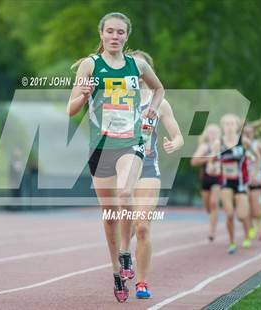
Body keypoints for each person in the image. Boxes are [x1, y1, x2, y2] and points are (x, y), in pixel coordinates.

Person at [68, 12, 164, 303]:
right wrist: (83, 96)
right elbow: (70, 109)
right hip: (101, 147)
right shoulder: (89, 65)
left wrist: (152, 108)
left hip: (130, 143)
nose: (114, 36)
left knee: (125, 192)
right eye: (109, 31)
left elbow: (159, 89)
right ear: (101, 34)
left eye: (120, 32)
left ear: (126, 36)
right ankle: (115, 270)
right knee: (109, 216)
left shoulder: (138, 65)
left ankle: (125, 252)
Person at [126, 50, 183, 299]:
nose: (138, 74)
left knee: (142, 228)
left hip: (148, 168)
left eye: (142, 69)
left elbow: (178, 135)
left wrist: (176, 143)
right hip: (121, 169)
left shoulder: (160, 102)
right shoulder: (119, 97)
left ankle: (141, 282)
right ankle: (123, 256)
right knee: (123, 226)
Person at [219, 114, 252, 254]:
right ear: (223, 126)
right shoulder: (218, 143)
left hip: (240, 183)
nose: (229, 126)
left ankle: (246, 233)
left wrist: (254, 172)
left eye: (232, 123)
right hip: (226, 182)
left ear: (237, 126)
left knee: (241, 215)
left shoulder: (244, 141)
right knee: (229, 214)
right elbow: (209, 160)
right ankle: (232, 242)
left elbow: (257, 156)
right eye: (226, 124)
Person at [191, 124, 222, 242]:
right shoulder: (204, 146)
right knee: (208, 207)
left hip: (218, 178)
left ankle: (212, 231)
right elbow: (194, 161)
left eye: (215, 132)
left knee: (214, 203)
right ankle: (212, 218)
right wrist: (208, 158)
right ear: (206, 134)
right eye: (210, 132)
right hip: (205, 178)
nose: (212, 134)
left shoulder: (223, 146)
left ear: (219, 134)